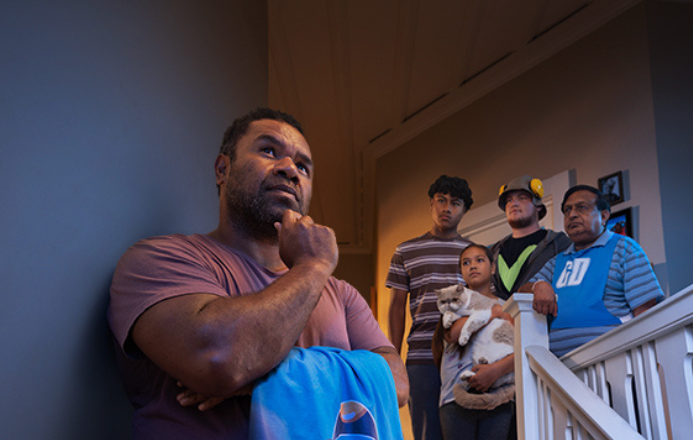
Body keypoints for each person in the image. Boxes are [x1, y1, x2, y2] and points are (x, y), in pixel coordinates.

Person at [107, 107, 409, 439]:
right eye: (269, 151)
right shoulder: (160, 259)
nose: (290, 170)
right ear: (223, 169)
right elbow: (221, 358)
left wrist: (263, 377)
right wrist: (313, 265)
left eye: (303, 167)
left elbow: (396, 384)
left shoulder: (341, 293)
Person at [522, 184, 664, 357]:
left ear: (604, 216)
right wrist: (539, 285)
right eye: (567, 210)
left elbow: (646, 313)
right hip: (558, 369)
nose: (572, 214)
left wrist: (651, 361)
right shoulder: (557, 261)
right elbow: (522, 290)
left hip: (614, 361)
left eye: (582, 207)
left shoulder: (624, 248)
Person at [386, 175, 474, 440]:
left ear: (464, 210)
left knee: (463, 431)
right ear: (431, 204)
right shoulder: (405, 250)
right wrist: (394, 357)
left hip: (463, 355)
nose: (447, 208)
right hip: (421, 356)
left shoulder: (473, 253)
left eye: (455, 203)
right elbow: (397, 308)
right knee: (426, 433)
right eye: (441, 200)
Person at [432, 244, 515, 440]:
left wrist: (495, 371)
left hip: (499, 395)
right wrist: (492, 313)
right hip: (454, 396)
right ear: (461, 271)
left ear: (493, 267)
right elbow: (452, 335)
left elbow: (518, 350)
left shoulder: (509, 306)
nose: (472, 266)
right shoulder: (453, 304)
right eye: (466, 263)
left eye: (480, 260)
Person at [490, 175, 572, 301]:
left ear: (538, 206)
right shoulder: (493, 252)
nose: (514, 204)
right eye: (509, 200)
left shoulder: (560, 244)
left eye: (522, 198)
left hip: (543, 318)